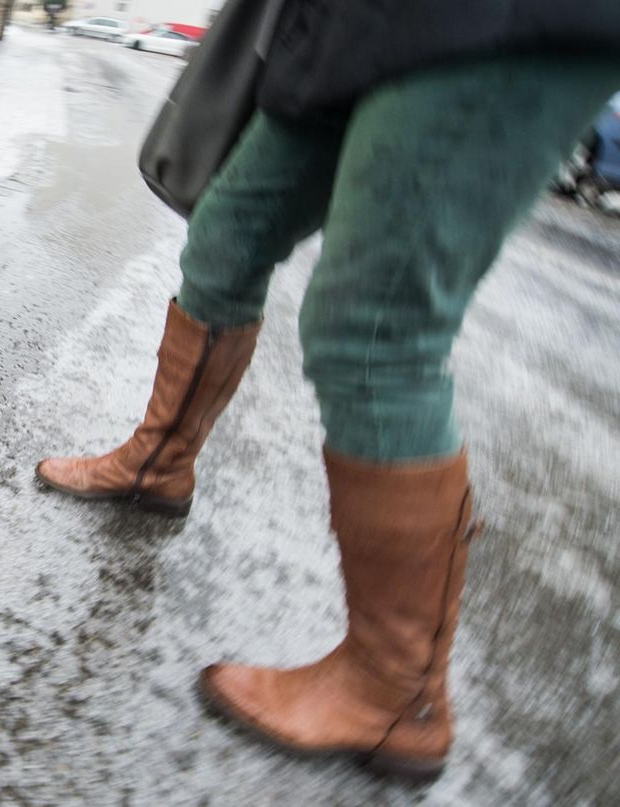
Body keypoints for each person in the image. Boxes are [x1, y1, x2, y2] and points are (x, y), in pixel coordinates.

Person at [36, 1, 620, 779]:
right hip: (349, 33)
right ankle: (158, 461)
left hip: (500, 23)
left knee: (374, 326)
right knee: (225, 240)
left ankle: (395, 692)